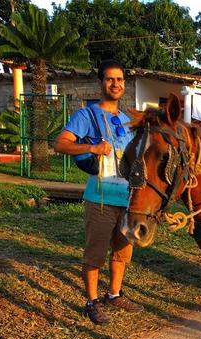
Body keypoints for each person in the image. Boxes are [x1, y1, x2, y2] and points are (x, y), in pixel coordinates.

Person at [54, 59, 142, 324]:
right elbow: (61, 144)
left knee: (122, 250)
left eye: (120, 80)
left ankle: (114, 294)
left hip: (127, 199)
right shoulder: (87, 115)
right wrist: (91, 148)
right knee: (95, 253)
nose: (115, 84)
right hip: (100, 198)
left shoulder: (128, 120)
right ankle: (91, 302)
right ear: (101, 82)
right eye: (110, 79)